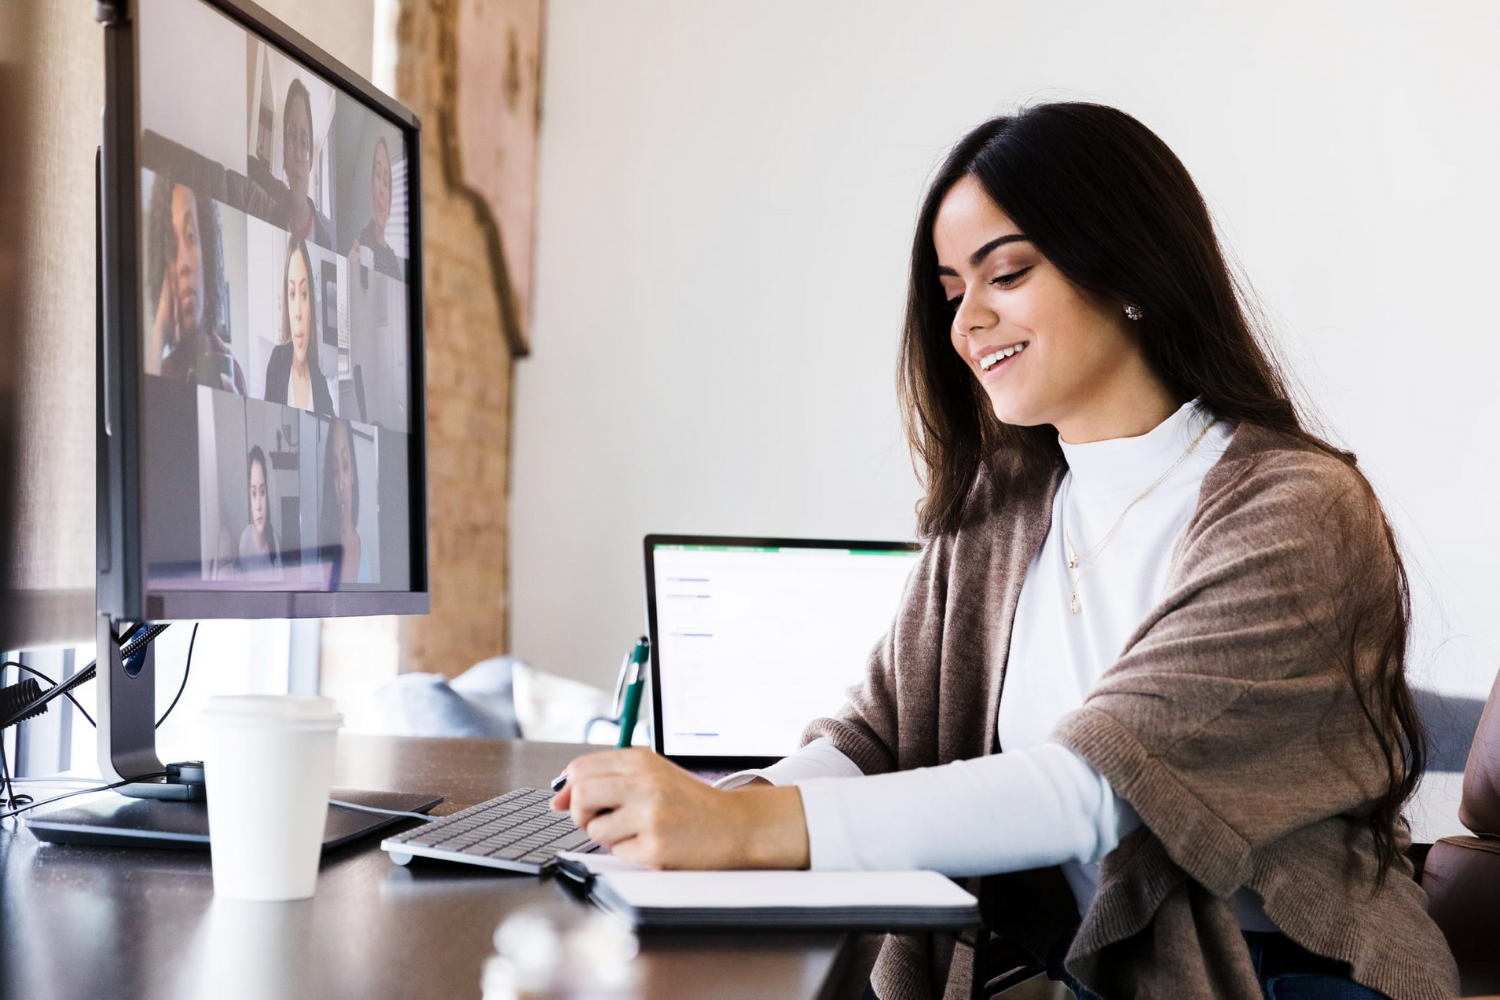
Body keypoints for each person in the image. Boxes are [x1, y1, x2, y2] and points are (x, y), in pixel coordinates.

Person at [551, 104, 1459, 1000]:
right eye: (953, 292)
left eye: (1007, 274)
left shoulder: (1295, 510)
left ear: (1128, 268)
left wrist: (750, 825)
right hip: (1080, 971)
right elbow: (876, 739)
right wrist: (705, 811)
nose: (966, 323)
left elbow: (1094, 788)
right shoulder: (1004, 505)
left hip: (1276, 977)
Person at [144, 177, 247, 393]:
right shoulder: (161, 372)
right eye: (171, 247)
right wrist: (160, 331)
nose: (183, 264)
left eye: (191, 237)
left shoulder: (232, 371)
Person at [248, 77, 334, 250]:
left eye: (304, 142)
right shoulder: (270, 222)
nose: (298, 156)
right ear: (285, 151)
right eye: (292, 136)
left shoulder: (329, 235)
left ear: (310, 159)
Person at [263, 237, 334, 415]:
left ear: (311, 306)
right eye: (292, 294)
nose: (298, 313)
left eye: (304, 294)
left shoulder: (321, 384)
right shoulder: (277, 362)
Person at [347, 135, 405, 281]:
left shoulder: (392, 259)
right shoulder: (364, 240)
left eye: (386, 182)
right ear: (372, 184)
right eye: (378, 175)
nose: (381, 191)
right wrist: (348, 270)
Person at [319, 418, 369, 585]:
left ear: (353, 473)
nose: (341, 484)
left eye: (345, 465)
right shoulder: (323, 547)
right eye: (334, 470)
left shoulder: (364, 548)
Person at [237, 445, 282, 580]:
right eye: (254, 493)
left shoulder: (275, 540)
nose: (258, 506)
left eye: (262, 492)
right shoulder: (245, 542)